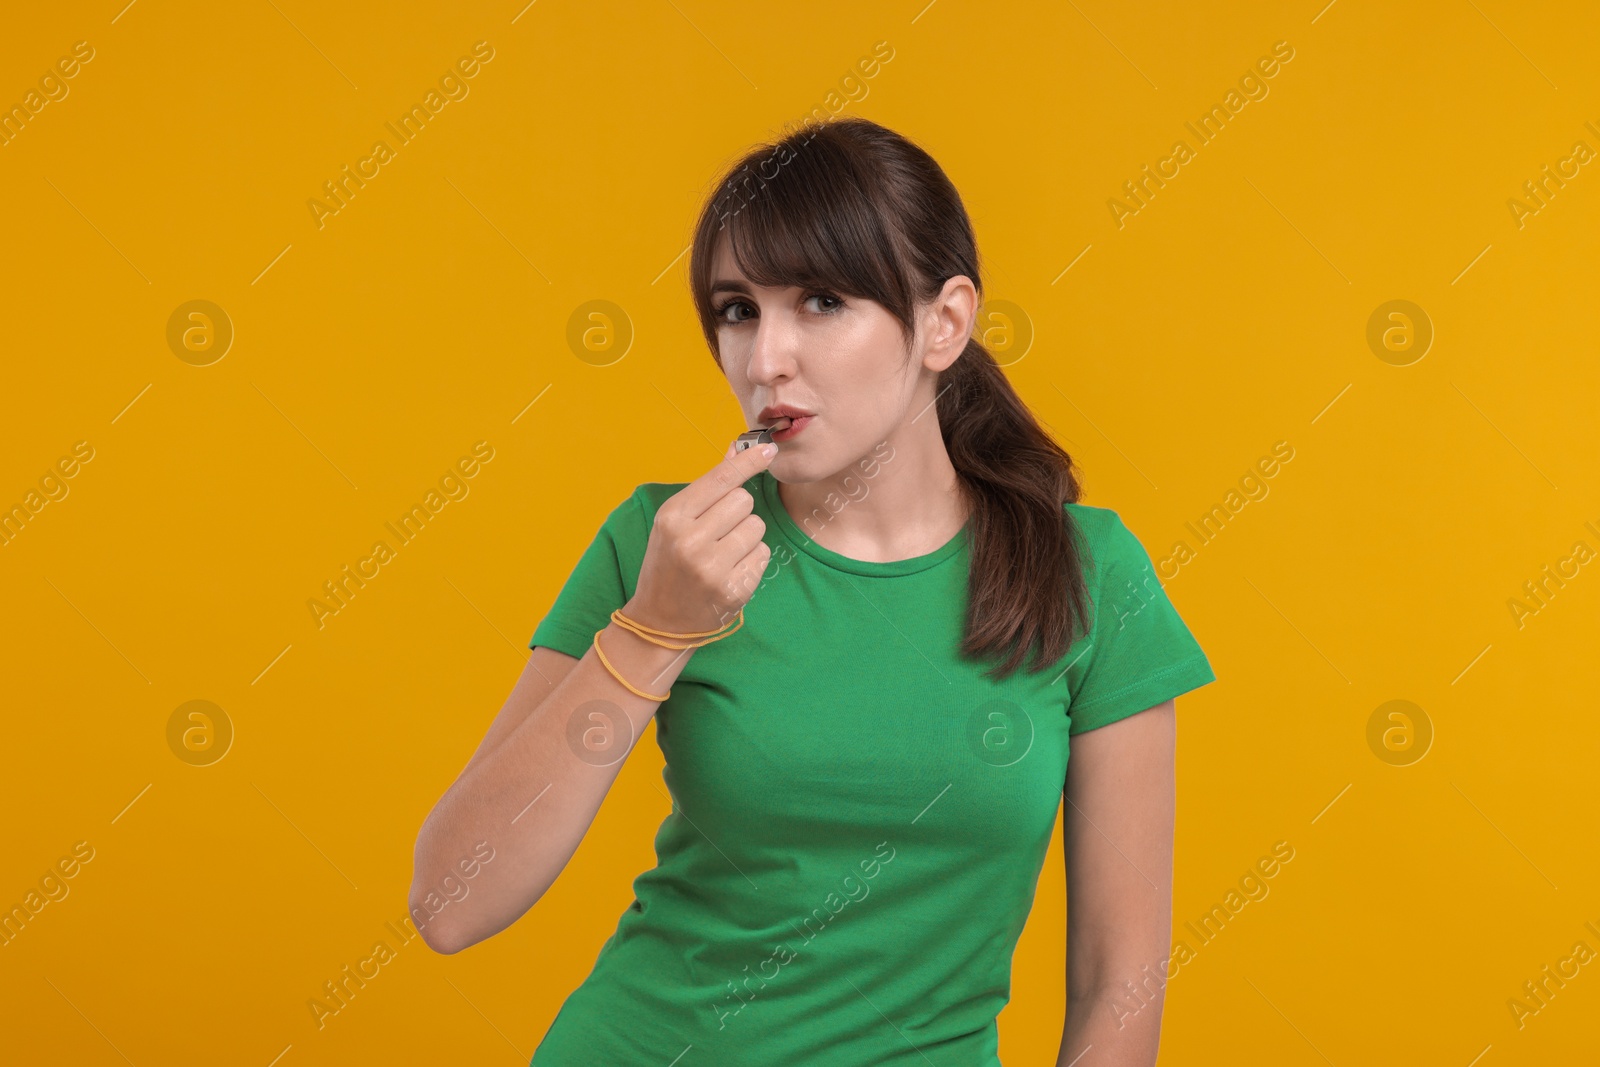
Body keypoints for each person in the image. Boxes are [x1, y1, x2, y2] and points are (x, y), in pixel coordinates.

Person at [408, 116, 1216, 1066]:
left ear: (944, 323)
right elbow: (451, 904)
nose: (764, 360)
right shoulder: (661, 545)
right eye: (737, 308)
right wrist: (651, 634)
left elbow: (1120, 981)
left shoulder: (1086, 574)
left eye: (822, 301)